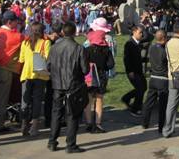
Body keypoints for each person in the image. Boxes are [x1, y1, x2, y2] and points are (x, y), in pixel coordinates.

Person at [47, 21, 89, 153]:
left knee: (57, 113)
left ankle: (52, 141)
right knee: (72, 114)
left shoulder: (55, 47)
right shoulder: (78, 48)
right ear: (74, 32)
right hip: (73, 85)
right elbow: (85, 69)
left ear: (63, 32)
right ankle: (70, 144)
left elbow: (48, 66)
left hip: (58, 83)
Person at [19, 22, 50, 136]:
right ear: (42, 31)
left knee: (25, 100)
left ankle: (23, 124)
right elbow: (47, 58)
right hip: (40, 75)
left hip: (26, 74)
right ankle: (34, 126)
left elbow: (21, 60)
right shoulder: (45, 43)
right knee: (37, 100)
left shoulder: (25, 43)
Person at [83, 20, 115, 133]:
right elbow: (111, 64)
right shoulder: (106, 50)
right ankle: (98, 123)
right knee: (99, 99)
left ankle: (88, 122)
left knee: (88, 99)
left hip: (89, 76)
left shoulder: (87, 50)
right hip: (101, 75)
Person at [142, 29, 169, 133]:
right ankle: (161, 127)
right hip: (163, 79)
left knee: (149, 102)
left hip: (153, 78)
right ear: (164, 38)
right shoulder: (164, 51)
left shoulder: (152, 47)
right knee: (162, 105)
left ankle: (145, 123)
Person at [122, 25, 147, 116]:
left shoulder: (137, 43)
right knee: (140, 88)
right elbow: (127, 59)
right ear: (134, 32)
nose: (142, 34)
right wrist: (130, 71)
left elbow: (137, 58)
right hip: (133, 71)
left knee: (143, 87)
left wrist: (145, 60)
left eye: (142, 32)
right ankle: (135, 108)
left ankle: (126, 98)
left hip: (138, 70)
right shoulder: (129, 44)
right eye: (140, 32)